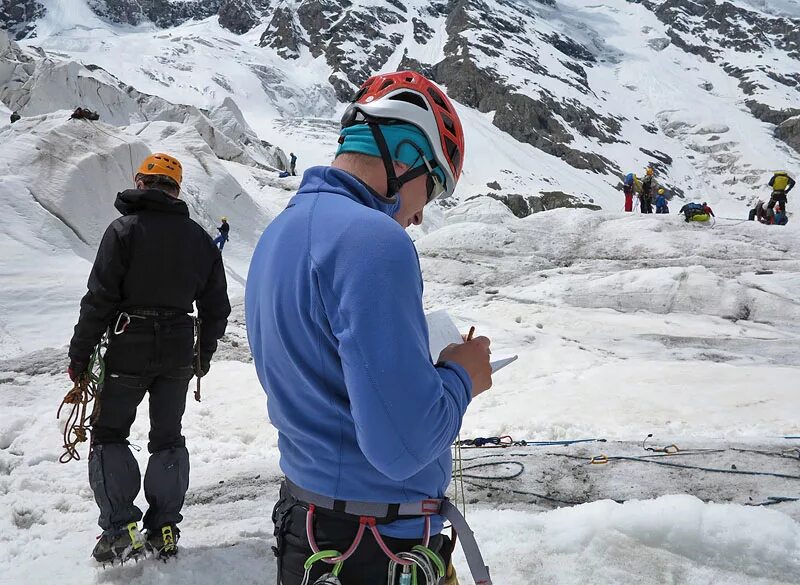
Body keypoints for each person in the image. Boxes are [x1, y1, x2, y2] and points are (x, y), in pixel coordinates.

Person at [245, 71, 492, 585]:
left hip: (312, 532)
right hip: (375, 548)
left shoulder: (280, 233)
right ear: (406, 155)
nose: (423, 215)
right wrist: (461, 375)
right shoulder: (373, 240)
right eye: (435, 185)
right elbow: (403, 446)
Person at [68, 153, 231, 563]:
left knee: (109, 434)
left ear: (141, 183)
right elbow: (216, 309)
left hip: (128, 343)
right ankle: (164, 529)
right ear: (176, 189)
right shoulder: (199, 238)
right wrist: (201, 356)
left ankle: (121, 528)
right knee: (168, 437)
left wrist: (80, 355)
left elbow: (99, 299)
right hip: (178, 346)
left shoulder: (123, 231)